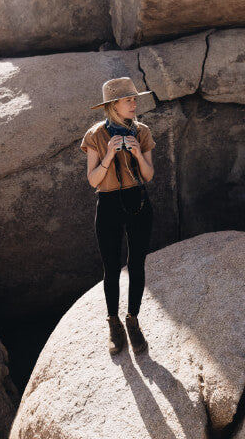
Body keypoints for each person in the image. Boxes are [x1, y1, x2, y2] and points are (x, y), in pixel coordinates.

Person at [80, 77, 156, 355]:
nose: (134, 104)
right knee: (111, 268)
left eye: (135, 99)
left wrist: (137, 154)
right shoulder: (95, 135)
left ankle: (133, 321)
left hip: (139, 201)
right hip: (109, 203)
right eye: (129, 100)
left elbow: (148, 175)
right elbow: (93, 180)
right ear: (114, 105)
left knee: (137, 264)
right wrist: (109, 155)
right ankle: (113, 323)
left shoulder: (143, 131)